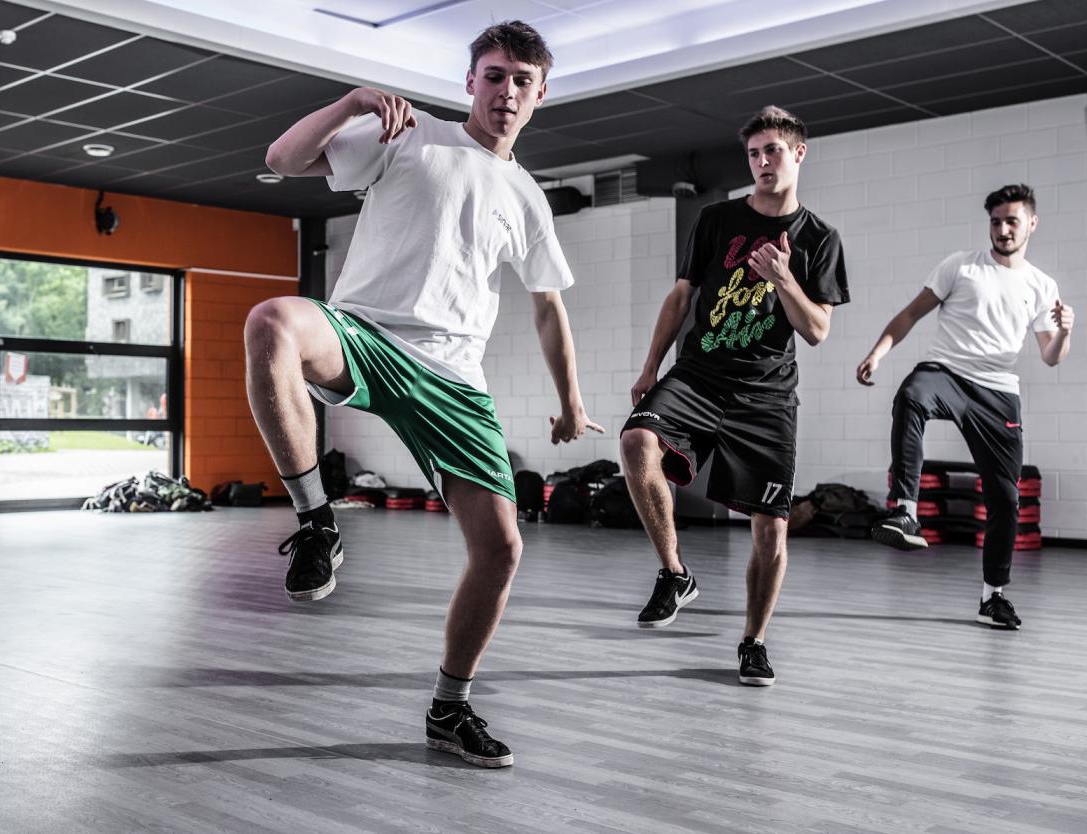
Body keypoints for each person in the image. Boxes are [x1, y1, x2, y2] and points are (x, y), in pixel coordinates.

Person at [247, 20, 602, 767]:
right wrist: (352, 102)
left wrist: (571, 400)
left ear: (541, 94)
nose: (507, 92)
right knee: (272, 320)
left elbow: (548, 307)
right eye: (495, 75)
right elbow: (282, 159)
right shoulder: (411, 134)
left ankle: (450, 708)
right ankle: (316, 524)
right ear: (471, 81)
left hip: (454, 377)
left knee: (500, 550)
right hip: (364, 334)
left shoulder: (527, 197)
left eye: (523, 81)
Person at [619, 106, 848, 686]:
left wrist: (783, 279)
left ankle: (754, 641)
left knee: (770, 529)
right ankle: (675, 573)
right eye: (754, 153)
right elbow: (681, 296)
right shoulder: (716, 219)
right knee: (636, 440)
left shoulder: (819, 238)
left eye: (773, 150)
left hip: (767, 397)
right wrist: (650, 366)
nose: (763, 162)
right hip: (698, 375)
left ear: (798, 153)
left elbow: (817, 330)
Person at [858, 184, 1072, 630]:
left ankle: (993, 596)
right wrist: (877, 353)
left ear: (1031, 223)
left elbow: (1051, 356)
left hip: (998, 391)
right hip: (946, 373)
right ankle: (906, 511)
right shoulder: (961, 266)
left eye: (1012, 221)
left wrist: (1065, 332)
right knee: (912, 394)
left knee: (1006, 499)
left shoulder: (1041, 285)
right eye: (996, 221)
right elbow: (910, 314)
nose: (1003, 229)